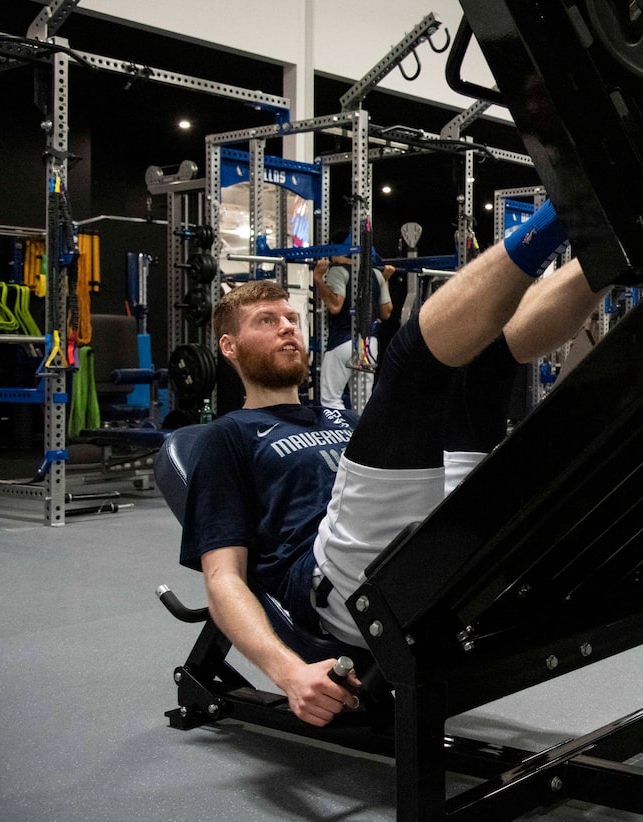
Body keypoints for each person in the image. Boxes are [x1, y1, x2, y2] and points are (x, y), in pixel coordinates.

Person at [179, 202, 600, 727]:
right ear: (230, 347)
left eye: (291, 317)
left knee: (487, 362)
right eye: (267, 322)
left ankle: (608, 253)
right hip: (339, 581)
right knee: (410, 365)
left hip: (411, 536)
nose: (288, 328)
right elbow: (223, 580)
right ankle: (565, 209)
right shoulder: (228, 437)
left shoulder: (339, 415)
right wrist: (288, 672)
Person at [312, 255, 396, 409]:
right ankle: (363, 434)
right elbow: (386, 312)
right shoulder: (376, 274)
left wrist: (318, 278)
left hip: (344, 341)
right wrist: (384, 280)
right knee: (363, 402)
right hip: (369, 344)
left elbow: (335, 306)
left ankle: (339, 433)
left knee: (330, 400)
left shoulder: (338, 271)